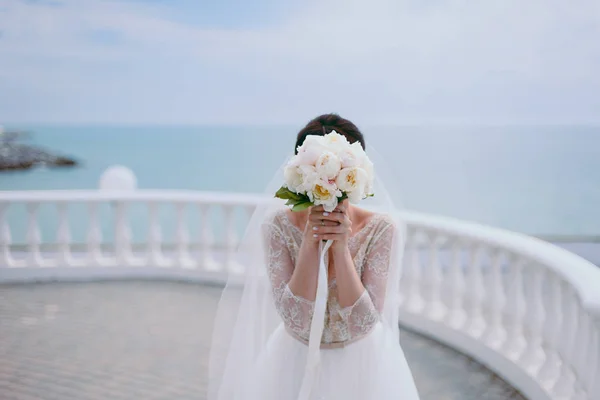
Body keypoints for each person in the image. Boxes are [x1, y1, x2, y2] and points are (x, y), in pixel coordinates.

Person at [208, 114, 421, 400]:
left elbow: (364, 323)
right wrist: (310, 241)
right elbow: (294, 318)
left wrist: (341, 247)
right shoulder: (277, 226)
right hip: (292, 360)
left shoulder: (380, 229)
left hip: (361, 367)